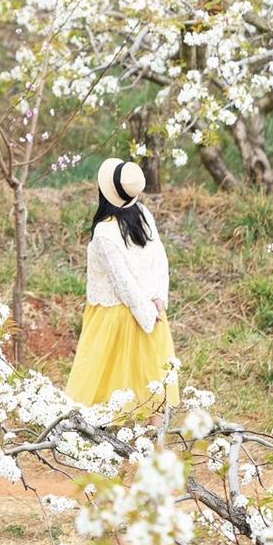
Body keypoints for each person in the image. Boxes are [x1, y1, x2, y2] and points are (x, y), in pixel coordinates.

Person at [64, 157, 180, 413]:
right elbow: (159, 259)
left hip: (116, 316)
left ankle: (113, 442)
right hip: (149, 311)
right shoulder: (142, 214)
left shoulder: (105, 232)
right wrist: (158, 300)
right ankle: (152, 445)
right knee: (148, 380)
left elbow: (123, 282)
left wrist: (150, 310)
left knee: (107, 382)